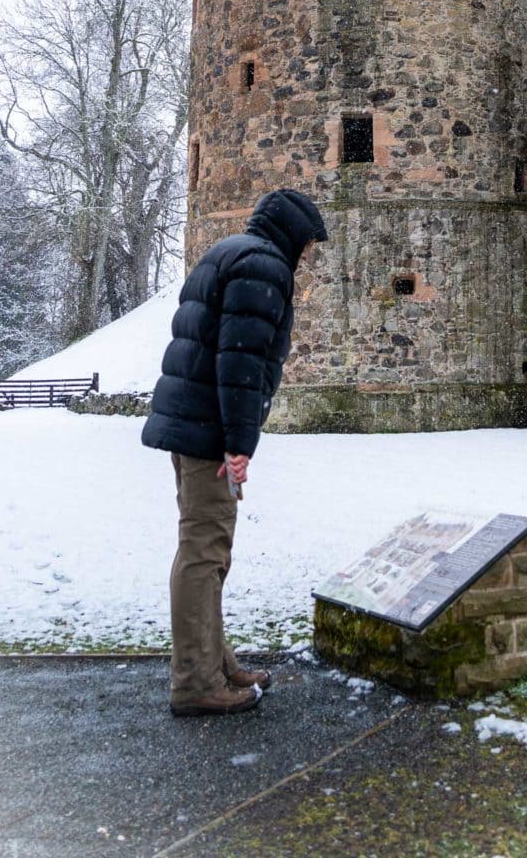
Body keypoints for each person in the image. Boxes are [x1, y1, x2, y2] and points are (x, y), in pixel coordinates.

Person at [142, 187, 327, 717]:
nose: (309, 254)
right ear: (291, 233)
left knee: (207, 551)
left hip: (191, 424)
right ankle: (196, 681)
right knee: (204, 552)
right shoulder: (263, 267)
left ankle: (214, 662)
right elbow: (240, 362)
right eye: (309, 243)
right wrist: (238, 444)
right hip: (208, 433)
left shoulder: (228, 251)